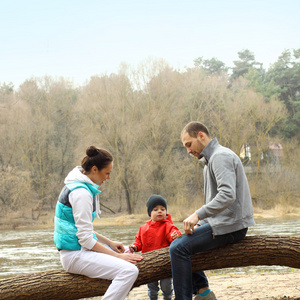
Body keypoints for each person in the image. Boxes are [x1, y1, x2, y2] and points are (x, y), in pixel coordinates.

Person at [169, 121, 255, 300]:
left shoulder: (220, 156)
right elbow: (215, 203)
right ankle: (203, 292)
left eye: (189, 144)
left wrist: (197, 214)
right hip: (222, 223)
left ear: (201, 136)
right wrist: (199, 223)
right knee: (181, 242)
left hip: (231, 226)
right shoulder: (210, 161)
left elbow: (227, 195)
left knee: (177, 249)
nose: (188, 151)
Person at [54, 145, 143, 300]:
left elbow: (80, 230)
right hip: (74, 255)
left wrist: (110, 243)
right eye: (107, 173)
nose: (108, 177)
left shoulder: (79, 185)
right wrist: (117, 256)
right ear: (94, 169)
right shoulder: (81, 193)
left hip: (79, 250)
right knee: (129, 271)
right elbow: (86, 240)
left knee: (127, 250)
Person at [128, 194, 181, 300]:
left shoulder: (168, 226)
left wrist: (175, 235)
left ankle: (168, 298)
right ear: (150, 213)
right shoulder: (143, 228)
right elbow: (139, 243)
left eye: (162, 209)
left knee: (166, 286)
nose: (160, 211)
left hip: (165, 262)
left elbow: (174, 234)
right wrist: (134, 247)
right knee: (152, 287)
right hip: (149, 263)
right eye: (155, 209)